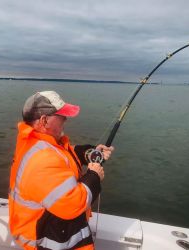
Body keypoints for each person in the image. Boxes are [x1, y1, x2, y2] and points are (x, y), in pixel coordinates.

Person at [9, 90, 114, 250]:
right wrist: (94, 176)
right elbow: (73, 204)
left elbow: (64, 154)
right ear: (44, 121)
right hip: (44, 241)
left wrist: (89, 153)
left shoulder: (34, 142)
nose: (66, 119)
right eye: (62, 116)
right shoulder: (43, 160)